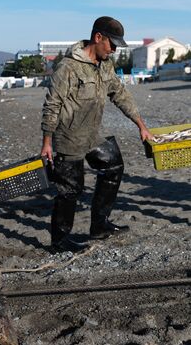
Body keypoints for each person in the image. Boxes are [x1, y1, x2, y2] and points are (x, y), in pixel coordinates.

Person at [40, 16, 154, 253]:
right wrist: (47, 142)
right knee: (70, 190)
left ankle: (99, 226)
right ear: (98, 37)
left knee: (113, 166)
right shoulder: (67, 67)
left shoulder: (105, 66)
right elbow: (52, 105)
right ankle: (59, 241)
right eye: (112, 45)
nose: (113, 50)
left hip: (91, 134)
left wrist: (141, 125)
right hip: (68, 137)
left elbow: (120, 94)